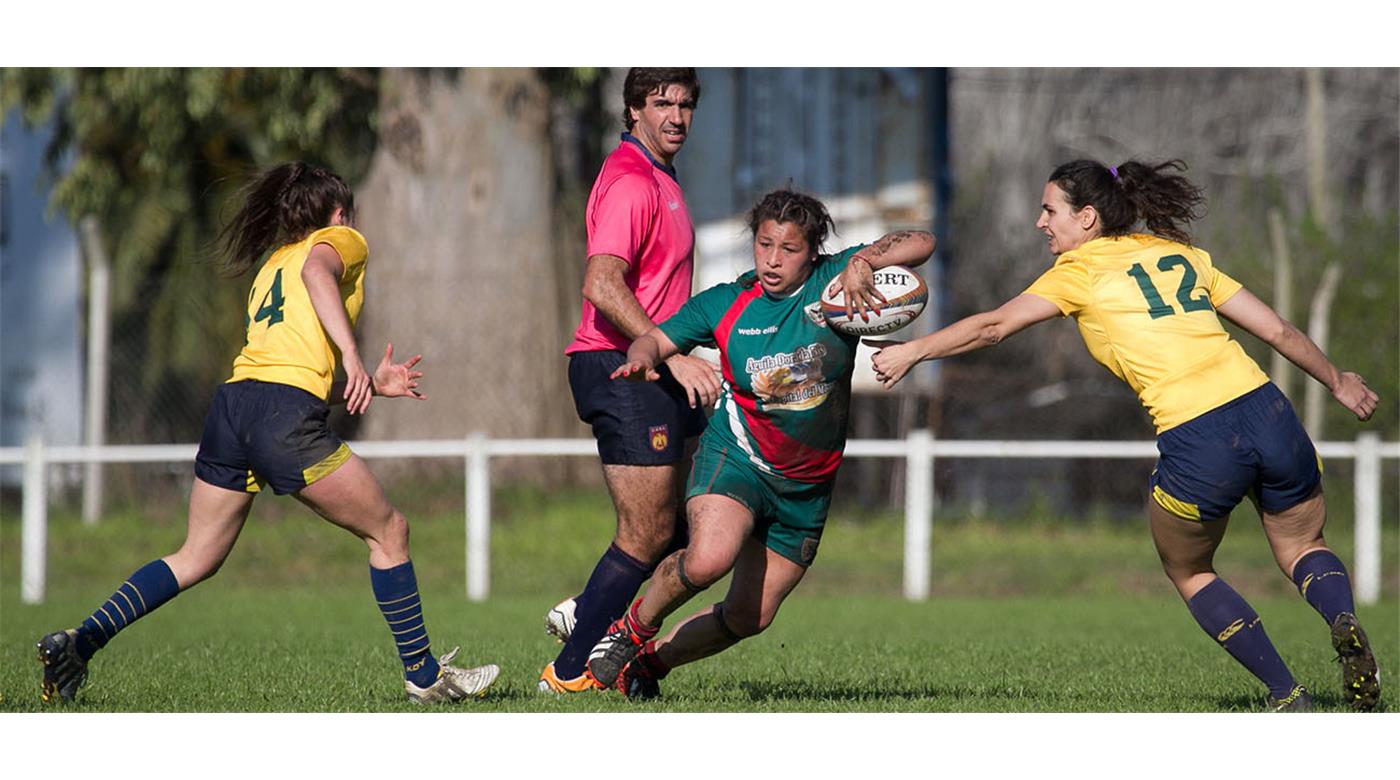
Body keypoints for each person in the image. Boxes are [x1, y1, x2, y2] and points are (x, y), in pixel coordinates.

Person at [868, 159, 1381, 712]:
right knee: (1304, 546)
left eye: (1049, 210)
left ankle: (1288, 694)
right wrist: (1338, 381)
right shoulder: (1180, 254)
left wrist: (913, 351)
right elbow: (1277, 330)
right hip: (1268, 411)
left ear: (1087, 217)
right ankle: (1341, 617)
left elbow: (994, 327)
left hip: (1199, 432)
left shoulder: (1078, 271)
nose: (1041, 222)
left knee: (1189, 569)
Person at [36, 162, 499, 705]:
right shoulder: (339, 240)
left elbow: (288, 367)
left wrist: (371, 383)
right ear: (338, 214)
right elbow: (318, 276)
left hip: (234, 407)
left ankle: (80, 643)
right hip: (282, 415)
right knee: (389, 531)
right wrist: (353, 355)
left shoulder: (271, 265)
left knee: (196, 555)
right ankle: (423, 674)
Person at [584, 188, 935, 698]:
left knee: (751, 616)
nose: (772, 260)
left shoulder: (836, 283)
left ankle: (648, 665)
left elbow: (922, 241)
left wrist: (864, 261)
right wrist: (643, 359)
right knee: (708, 558)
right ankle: (630, 630)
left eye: (788, 249)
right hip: (738, 458)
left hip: (806, 486)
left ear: (812, 252)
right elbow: (654, 340)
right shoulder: (727, 303)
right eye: (764, 245)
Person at [541, 68, 723, 693]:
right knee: (647, 533)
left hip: (654, 369)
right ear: (633, 110)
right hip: (621, 366)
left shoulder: (660, 177)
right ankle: (567, 675)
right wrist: (670, 355)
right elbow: (601, 282)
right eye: (662, 103)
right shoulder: (630, 181)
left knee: (691, 528)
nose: (677, 116)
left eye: (686, 104)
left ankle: (586, 610)